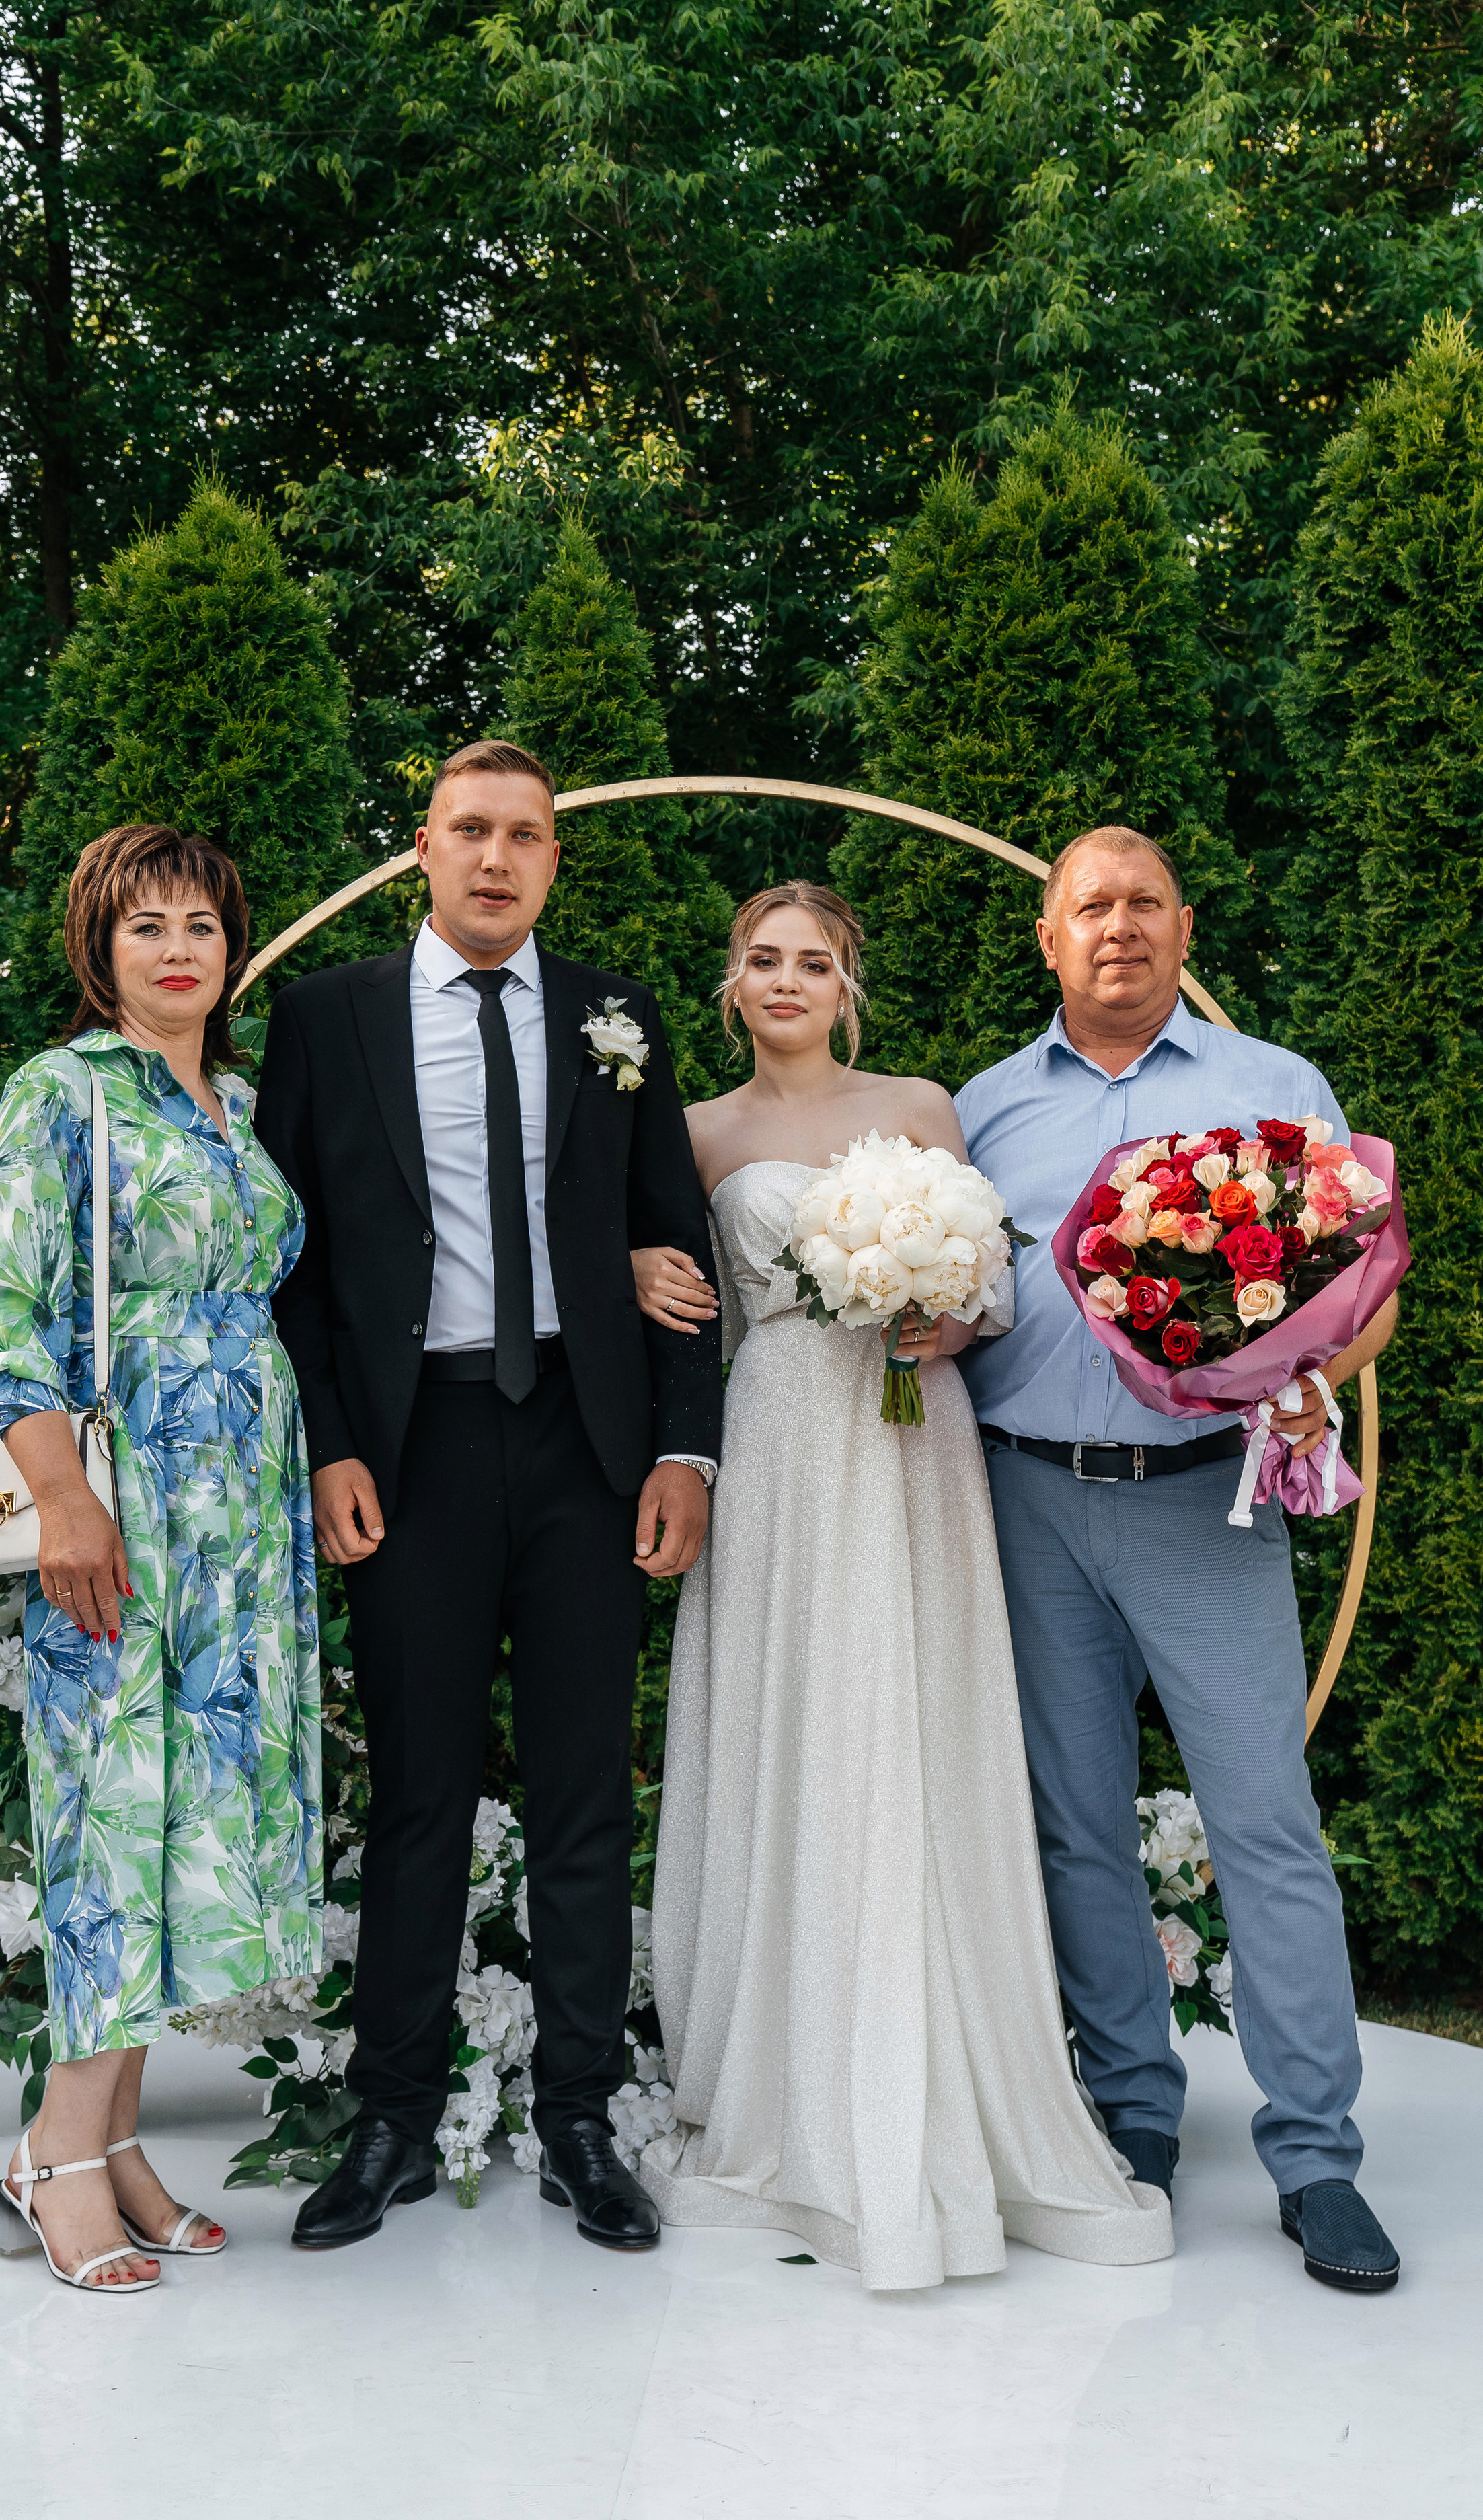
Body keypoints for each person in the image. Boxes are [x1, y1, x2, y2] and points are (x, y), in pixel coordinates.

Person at [630, 881, 1174, 2290]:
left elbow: (998, 1286)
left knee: (913, 1719)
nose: (787, 979)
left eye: (813, 960)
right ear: (730, 983)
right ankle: (783, 2081)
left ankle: (950, 2061)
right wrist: (640, 1271)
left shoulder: (923, 1107)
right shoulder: (693, 1135)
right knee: (795, 1722)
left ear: (846, 983)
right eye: (762, 958)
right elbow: (674, 1295)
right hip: (778, 1447)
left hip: (913, 1442)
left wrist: (950, 1307)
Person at [254, 738, 722, 2256]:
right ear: (420, 847)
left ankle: (581, 2119)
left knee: (588, 1793)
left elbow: (676, 1255)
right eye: (469, 830)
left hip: (586, 1451)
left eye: (524, 835)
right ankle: (391, 2117)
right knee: (417, 1798)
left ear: (551, 860)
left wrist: (679, 1451)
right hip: (415, 1453)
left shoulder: (614, 1016)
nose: (496, 857)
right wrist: (331, 1444)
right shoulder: (324, 1020)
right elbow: (298, 1267)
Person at [954, 824, 1401, 2296]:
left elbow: (1359, 1284)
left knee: (1262, 1824)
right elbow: (956, 1309)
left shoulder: (1269, 1089)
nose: (1118, 928)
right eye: (1089, 906)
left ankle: (1313, 2157)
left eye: (1143, 903)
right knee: (1076, 1826)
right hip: (1024, 1503)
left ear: (1182, 923)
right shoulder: (980, 1113)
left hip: (1209, 1505)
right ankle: (1129, 2117)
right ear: (1046, 936)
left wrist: (1314, 1373)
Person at [0, 824, 322, 2293]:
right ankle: (51, 2151)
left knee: (188, 1826)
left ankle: (111, 2147)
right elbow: (5, 1322)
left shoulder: (233, 1103)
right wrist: (63, 1506)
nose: (178, 948)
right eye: (144, 927)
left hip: (241, 1522)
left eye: (200, 924)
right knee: (112, 1817)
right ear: (98, 949)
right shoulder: (62, 1096)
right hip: (123, 1508)